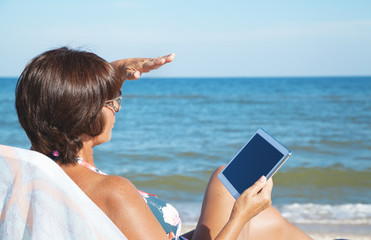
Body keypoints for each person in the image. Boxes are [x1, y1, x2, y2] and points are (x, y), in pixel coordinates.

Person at [15, 47, 311, 240]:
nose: (117, 107)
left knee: (230, 183)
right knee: (254, 215)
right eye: (113, 101)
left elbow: (53, 99)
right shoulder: (112, 192)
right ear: (85, 113)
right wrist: (241, 216)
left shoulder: (32, 167)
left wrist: (109, 76)